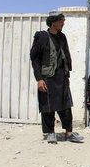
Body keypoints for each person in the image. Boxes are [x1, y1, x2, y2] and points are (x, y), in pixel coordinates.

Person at [30, 11, 84, 143]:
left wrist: (67, 75)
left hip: (61, 75)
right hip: (47, 76)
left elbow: (65, 57)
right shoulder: (42, 36)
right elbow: (35, 59)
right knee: (48, 106)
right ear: (53, 22)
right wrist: (39, 79)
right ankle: (50, 132)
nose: (63, 23)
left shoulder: (62, 37)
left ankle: (69, 132)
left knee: (65, 104)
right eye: (61, 21)